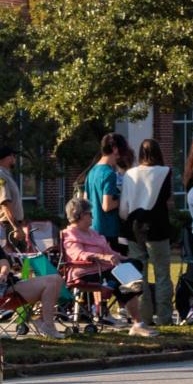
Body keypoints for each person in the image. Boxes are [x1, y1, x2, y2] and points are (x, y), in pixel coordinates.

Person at [60, 194, 155, 337]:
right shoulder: (70, 234)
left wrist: (124, 258)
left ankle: (131, 303)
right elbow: (78, 254)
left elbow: (110, 252)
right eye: (89, 214)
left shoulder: (92, 233)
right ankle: (137, 322)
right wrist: (103, 257)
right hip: (85, 272)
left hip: (105, 269)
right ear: (78, 215)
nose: (92, 217)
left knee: (133, 264)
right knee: (122, 280)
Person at [120, 138, 174, 327]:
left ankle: (144, 317)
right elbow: (168, 200)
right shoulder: (165, 172)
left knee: (138, 274)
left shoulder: (129, 174)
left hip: (134, 227)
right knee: (162, 274)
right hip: (158, 225)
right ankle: (165, 317)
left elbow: (123, 208)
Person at [0, 227, 64, 339]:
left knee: (56, 279)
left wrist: (3, 274)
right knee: (51, 283)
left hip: (10, 285)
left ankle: (44, 320)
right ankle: (47, 325)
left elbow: (4, 264)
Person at [82, 135, 128, 254]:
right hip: (108, 230)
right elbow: (107, 206)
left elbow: (85, 201)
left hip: (93, 229)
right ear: (115, 149)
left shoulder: (91, 172)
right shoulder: (109, 173)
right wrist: (124, 199)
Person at [0, 147, 27, 246]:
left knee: (23, 258)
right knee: (14, 258)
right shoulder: (0, 177)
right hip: (7, 226)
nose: (15, 159)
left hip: (13, 224)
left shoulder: (6, 175)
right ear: (5, 158)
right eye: (13, 156)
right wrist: (16, 227)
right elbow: (5, 204)